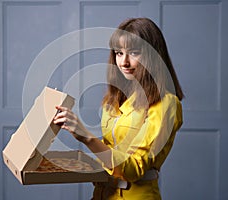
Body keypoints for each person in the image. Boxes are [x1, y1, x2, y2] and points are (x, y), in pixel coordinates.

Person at [53, 17, 184, 200]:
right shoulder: (115, 99)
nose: (124, 62)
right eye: (118, 53)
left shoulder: (167, 104)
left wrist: (87, 137)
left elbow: (134, 169)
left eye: (134, 53)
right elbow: (110, 153)